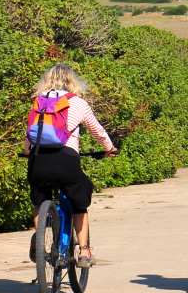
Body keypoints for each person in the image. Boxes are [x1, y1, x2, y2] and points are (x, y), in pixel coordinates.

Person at [24, 63, 118, 267]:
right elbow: (98, 131)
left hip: (38, 159)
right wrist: (109, 148)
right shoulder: (77, 103)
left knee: (39, 199)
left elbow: (30, 136)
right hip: (66, 160)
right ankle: (84, 252)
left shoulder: (37, 102)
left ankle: (38, 241)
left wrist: (26, 153)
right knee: (79, 201)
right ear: (71, 81)